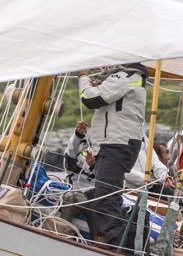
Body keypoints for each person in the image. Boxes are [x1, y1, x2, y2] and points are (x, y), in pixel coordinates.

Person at [78, 63, 147, 246]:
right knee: (101, 196)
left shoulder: (127, 76)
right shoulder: (129, 78)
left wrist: (83, 77)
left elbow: (90, 98)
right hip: (115, 144)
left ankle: (117, 246)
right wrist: (101, 81)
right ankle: (106, 239)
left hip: (116, 144)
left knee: (105, 199)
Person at [63, 120, 95, 186]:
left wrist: (93, 164)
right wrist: (79, 134)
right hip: (78, 189)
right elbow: (72, 152)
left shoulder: (104, 155)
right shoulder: (81, 153)